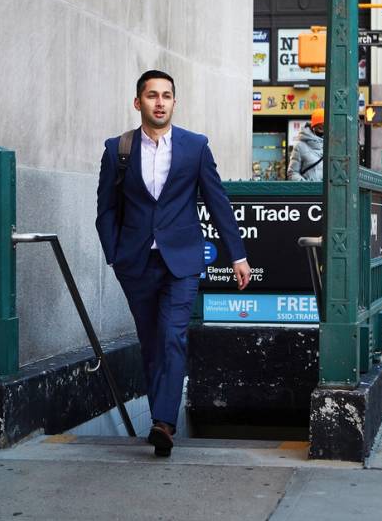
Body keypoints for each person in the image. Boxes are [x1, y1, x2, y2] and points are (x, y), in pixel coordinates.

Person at [95, 69, 251, 458]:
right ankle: (161, 417)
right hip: (135, 262)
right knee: (151, 341)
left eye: (166, 95)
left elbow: (218, 202)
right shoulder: (119, 150)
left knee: (173, 334)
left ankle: (163, 422)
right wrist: (114, 255)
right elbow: (105, 210)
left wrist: (238, 254)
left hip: (182, 259)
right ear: (138, 102)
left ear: (174, 103)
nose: (159, 102)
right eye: (152, 95)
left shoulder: (195, 147)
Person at [288, 109, 324, 181]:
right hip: (310, 191)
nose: (323, 130)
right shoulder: (300, 146)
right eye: (320, 127)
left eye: (326, 127)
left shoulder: (333, 145)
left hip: (329, 191)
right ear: (313, 127)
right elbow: (292, 173)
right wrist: (306, 185)